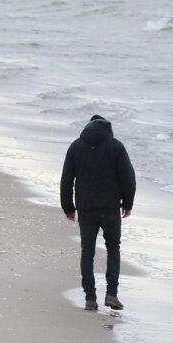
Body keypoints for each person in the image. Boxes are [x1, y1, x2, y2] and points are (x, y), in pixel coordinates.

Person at [61, 114, 136, 311]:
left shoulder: (76, 147)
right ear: (108, 129)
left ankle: (90, 298)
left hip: (85, 208)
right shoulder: (116, 146)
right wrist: (128, 204)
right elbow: (128, 178)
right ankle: (111, 294)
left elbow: (66, 180)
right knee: (113, 248)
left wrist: (68, 207)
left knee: (87, 251)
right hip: (110, 207)